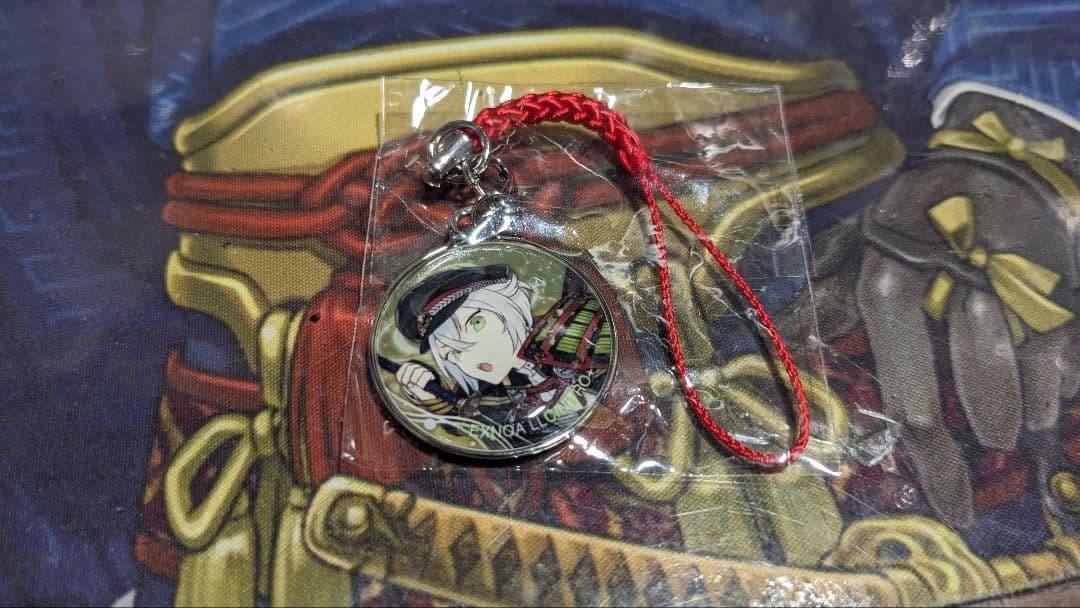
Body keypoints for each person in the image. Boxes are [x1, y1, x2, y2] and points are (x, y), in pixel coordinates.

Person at [387, 264, 612, 441]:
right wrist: (431, 397)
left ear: (507, 306)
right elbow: (476, 426)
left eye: (476, 323)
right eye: (453, 353)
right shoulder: (489, 390)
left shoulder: (577, 331)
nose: (472, 357)